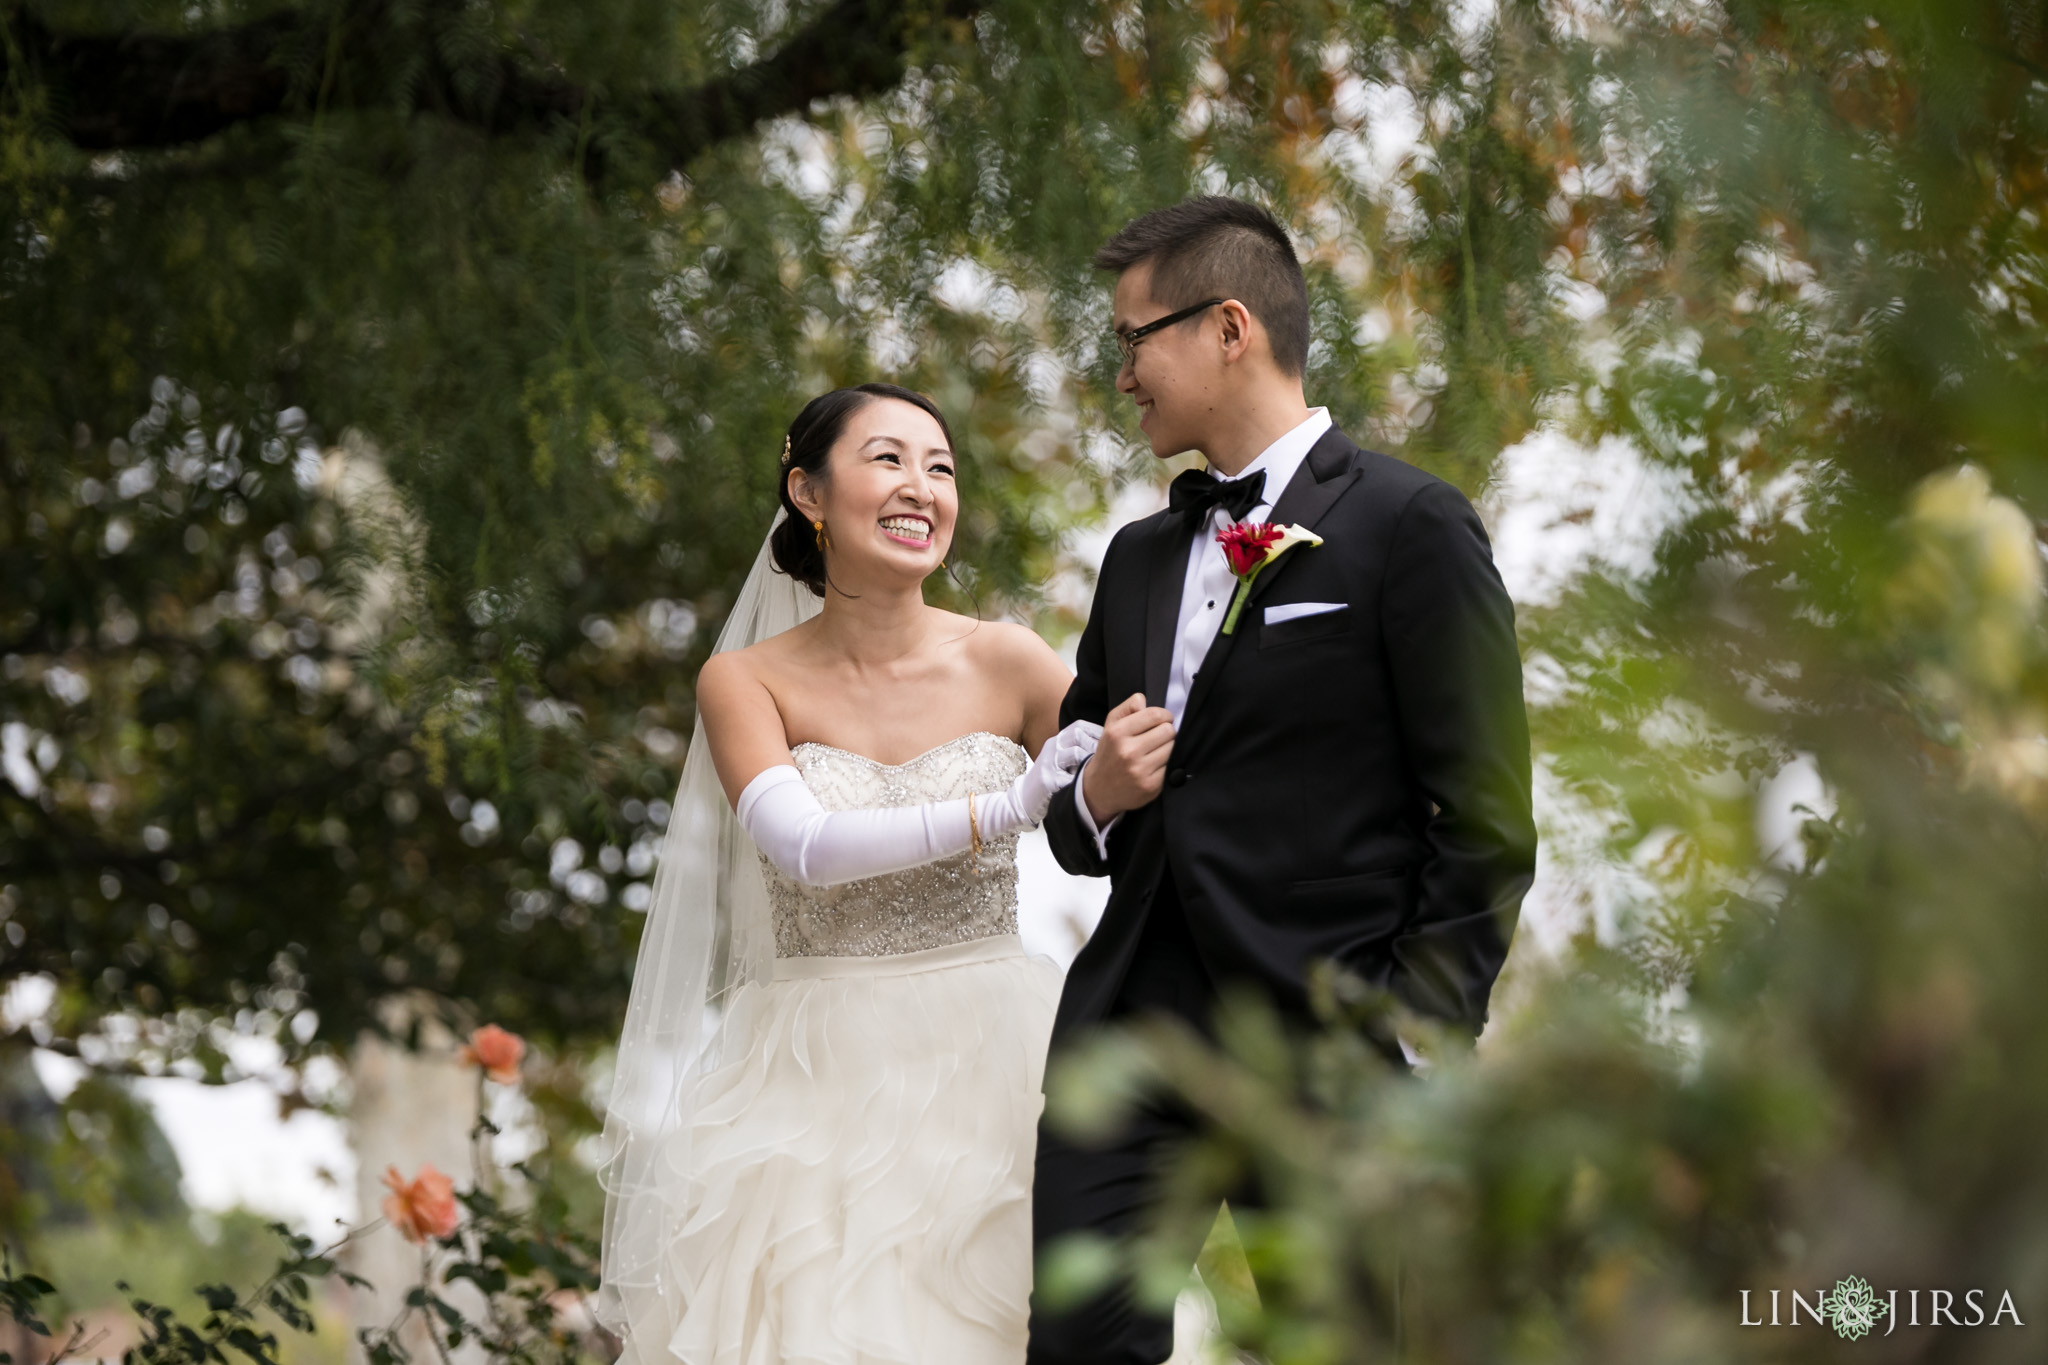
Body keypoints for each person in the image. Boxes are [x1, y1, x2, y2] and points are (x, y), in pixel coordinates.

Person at [1027, 197, 1538, 1365]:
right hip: (1129, 1049)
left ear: (1227, 328)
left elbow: (1487, 819)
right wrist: (1098, 792)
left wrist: (1410, 1041)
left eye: (1130, 339)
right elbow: (1069, 814)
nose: (1120, 377)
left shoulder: (1411, 525)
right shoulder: (1137, 556)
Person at [594, 382, 1100, 1365]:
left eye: (941, 467)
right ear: (809, 494)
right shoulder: (745, 680)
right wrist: (1008, 805)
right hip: (809, 1083)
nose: (922, 487)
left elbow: (1118, 809)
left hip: (996, 1062)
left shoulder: (1012, 661)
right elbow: (805, 849)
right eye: (888, 460)